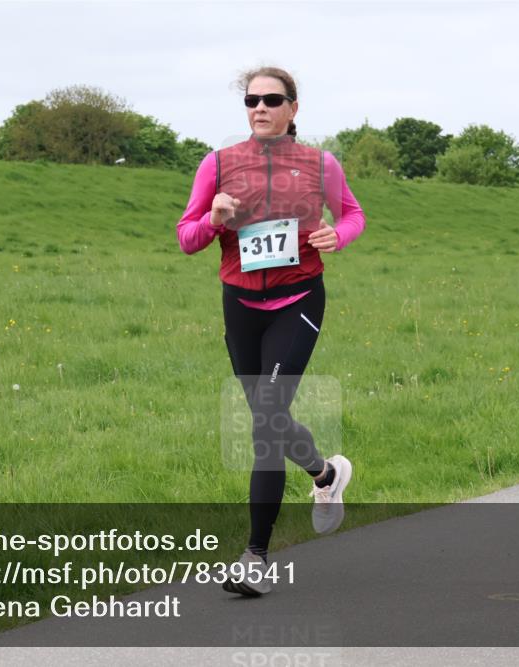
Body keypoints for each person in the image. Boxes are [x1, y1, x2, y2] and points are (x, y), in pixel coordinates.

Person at [176, 66, 366, 596]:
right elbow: (187, 237)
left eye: (271, 99)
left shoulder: (321, 164)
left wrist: (338, 234)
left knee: (265, 422)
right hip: (240, 305)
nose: (259, 108)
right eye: (251, 100)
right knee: (269, 416)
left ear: (293, 108)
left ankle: (255, 558)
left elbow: (353, 214)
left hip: (298, 300)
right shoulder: (217, 165)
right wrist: (215, 219)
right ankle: (325, 475)